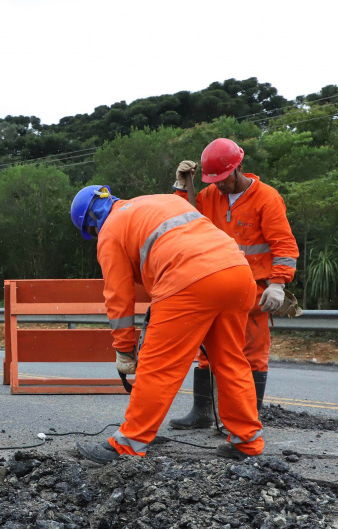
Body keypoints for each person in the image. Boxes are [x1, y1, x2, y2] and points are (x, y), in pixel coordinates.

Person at [70, 186, 263, 463]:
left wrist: (124, 349)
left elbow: (118, 298)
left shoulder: (110, 231)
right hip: (237, 273)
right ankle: (247, 441)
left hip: (189, 279)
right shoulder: (158, 200)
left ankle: (129, 443)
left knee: (157, 366)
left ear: (91, 223)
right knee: (231, 360)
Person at [169, 139, 299, 429]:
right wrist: (180, 186)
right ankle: (202, 412)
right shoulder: (207, 196)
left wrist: (277, 284)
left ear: (237, 168)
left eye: (223, 178)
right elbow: (178, 220)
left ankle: (246, 421)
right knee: (207, 352)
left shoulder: (267, 197)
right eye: (212, 180)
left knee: (252, 355)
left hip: (254, 290)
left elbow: (284, 245)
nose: (219, 185)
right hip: (215, 286)